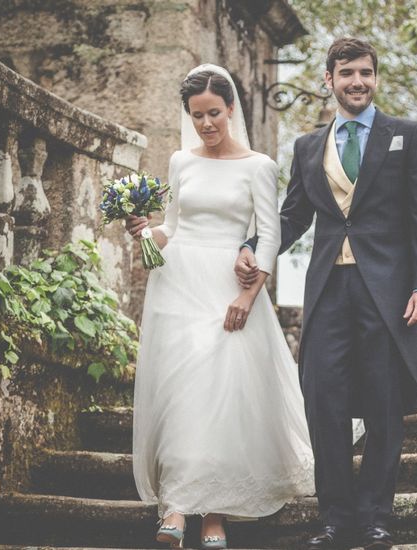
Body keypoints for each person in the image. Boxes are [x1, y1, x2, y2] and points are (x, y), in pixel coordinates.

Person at [236, 38, 417, 550]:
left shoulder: (406, 135)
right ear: (328, 79)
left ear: (375, 79)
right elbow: (292, 217)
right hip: (328, 289)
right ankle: (335, 518)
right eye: (347, 72)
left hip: (390, 292)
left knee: (384, 404)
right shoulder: (308, 147)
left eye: (366, 73)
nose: (358, 81)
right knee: (322, 399)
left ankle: (375, 518)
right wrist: (252, 247)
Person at [125, 64, 315, 550]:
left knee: (220, 397)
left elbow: (270, 236)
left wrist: (249, 296)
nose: (207, 124)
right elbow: (172, 228)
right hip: (177, 285)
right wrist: (144, 234)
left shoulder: (259, 165)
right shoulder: (180, 162)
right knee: (183, 393)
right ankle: (174, 508)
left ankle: (215, 515)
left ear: (231, 109)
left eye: (214, 113)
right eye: (197, 116)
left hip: (228, 286)